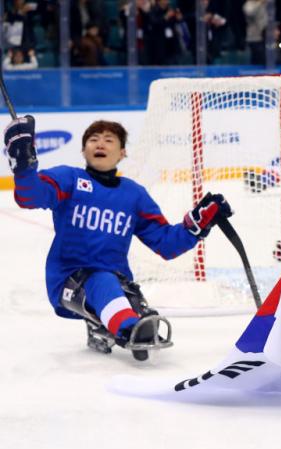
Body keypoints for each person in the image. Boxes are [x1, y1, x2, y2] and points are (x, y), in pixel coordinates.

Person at [4, 116, 232, 357]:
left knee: (138, 311)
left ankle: (102, 323)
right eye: (93, 139)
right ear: (83, 150)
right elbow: (30, 196)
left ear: (122, 152)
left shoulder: (134, 195)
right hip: (68, 280)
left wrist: (196, 225)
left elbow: (166, 244)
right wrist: (24, 165)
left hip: (117, 280)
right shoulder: (69, 179)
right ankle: (124, 327)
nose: (100, 144)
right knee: (110, 294)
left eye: (109, 140)